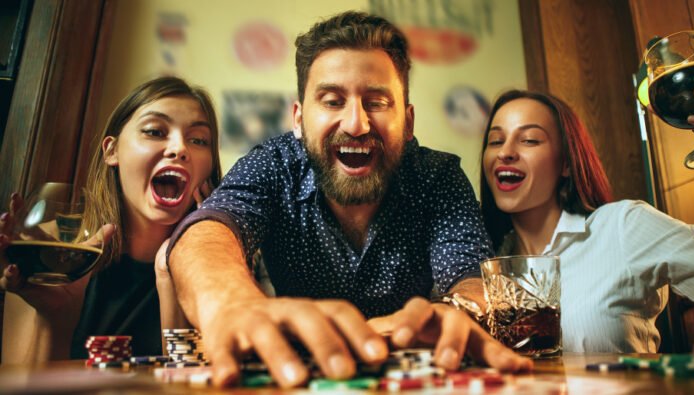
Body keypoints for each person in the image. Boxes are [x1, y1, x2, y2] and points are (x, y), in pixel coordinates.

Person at [164, 11, 531, 388]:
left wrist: (459, 310)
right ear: (299, 118)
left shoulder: (438, 176)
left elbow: (471, 277)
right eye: (333, 101)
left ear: (408, 123)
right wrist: (232, 304)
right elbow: (206, 233)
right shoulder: (272, 165)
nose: (356, 124)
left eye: (376, 102)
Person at [479, 47, 694, 353]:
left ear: (566, 163)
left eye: (529, 140)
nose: (505, 152)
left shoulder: (622, 227)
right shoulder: (479, 263)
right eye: (495, 141)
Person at [0, 76, 222, 361]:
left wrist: (171, 275)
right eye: (155, 132)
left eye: (198, 140)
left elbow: (196, 384)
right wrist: (54, 318)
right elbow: (20, 388)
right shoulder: (49, 246)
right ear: (112, 151)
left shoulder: (218, 257)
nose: (180, 148)